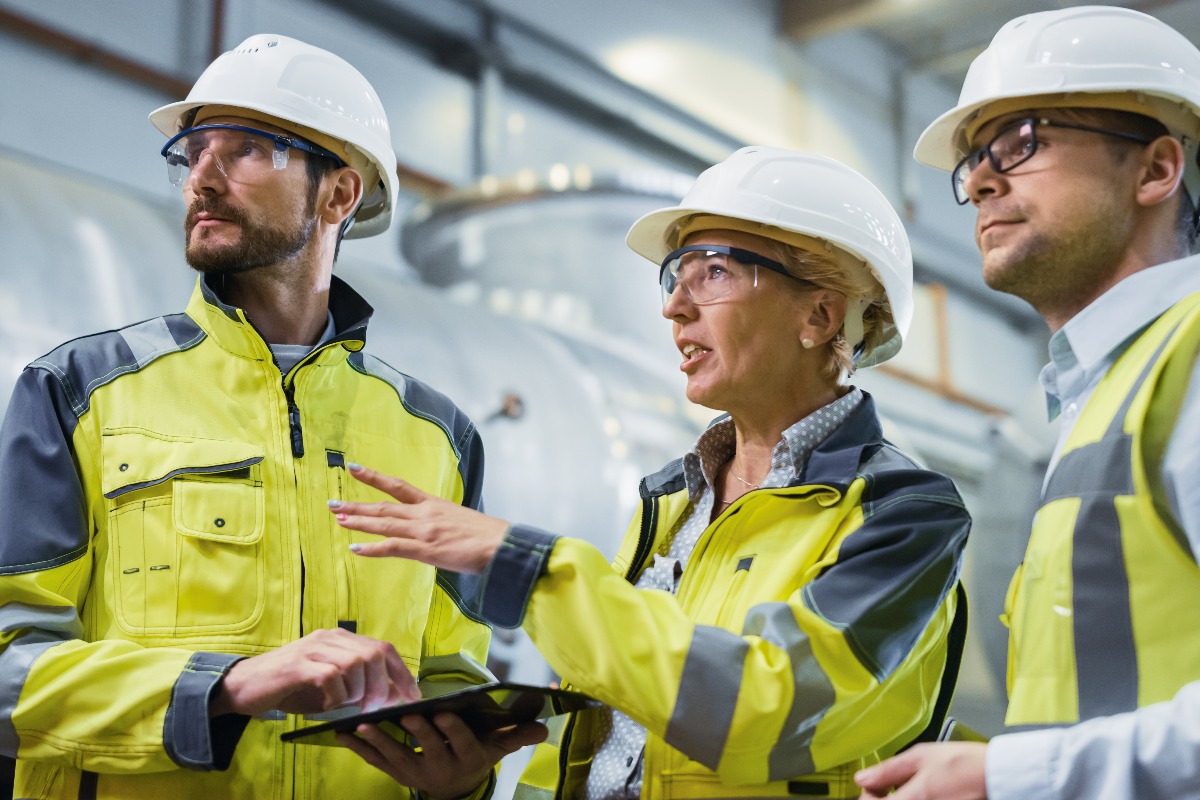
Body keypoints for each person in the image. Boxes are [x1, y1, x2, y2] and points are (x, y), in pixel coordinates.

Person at [326, 146, 971, 799]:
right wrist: (462, 786)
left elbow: (764, 714)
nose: (675, 307)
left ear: (820, 316)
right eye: (675, 276)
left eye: (713, 273)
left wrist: (528, 566)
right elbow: (597, 732)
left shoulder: (903, 514)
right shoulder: (670, 501)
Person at [0, 33, 542, 800]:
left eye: (246, 150)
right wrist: (226, 687)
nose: (202, 179)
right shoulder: (79, 390)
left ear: (339, 194)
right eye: (193, 152)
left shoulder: (438, 438)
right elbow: (9, 674)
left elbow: (447, 674)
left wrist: (455, 778)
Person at [855, 6, 1200, 800]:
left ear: (1155, 170)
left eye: (1024, 141)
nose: (978, 179)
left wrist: (1006, 777)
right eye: (975, 158)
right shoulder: (1101, 394)